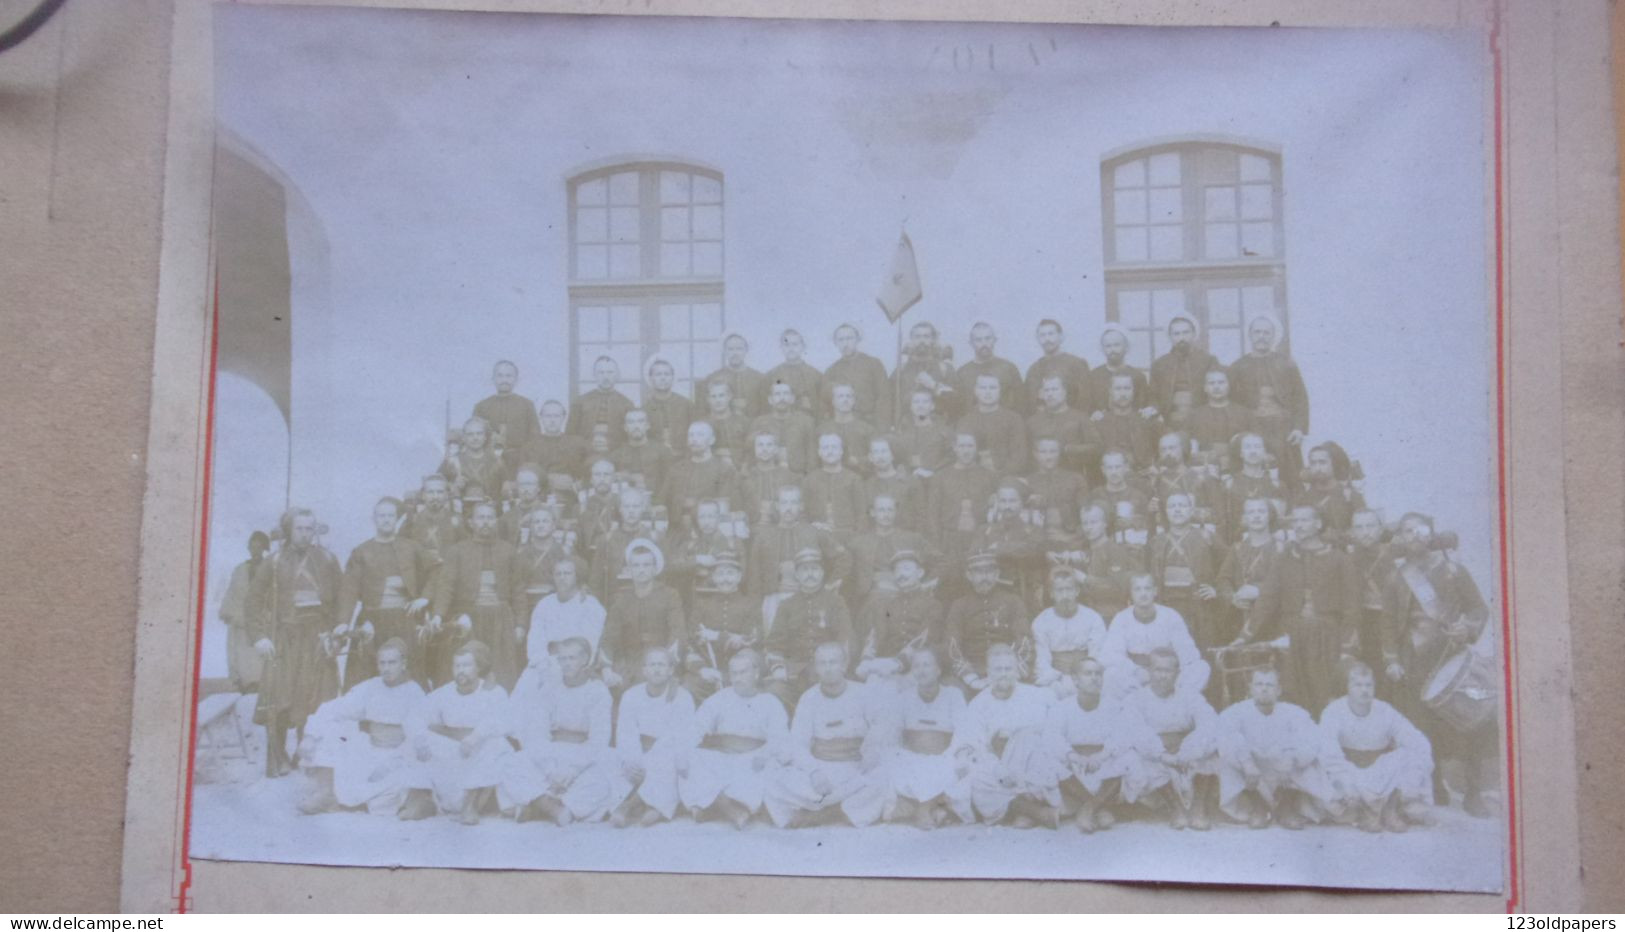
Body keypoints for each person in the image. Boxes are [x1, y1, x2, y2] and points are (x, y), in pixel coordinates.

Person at [1381, 512, 1494, 816]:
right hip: (1414, 659)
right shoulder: (1396, 577)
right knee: (1420, 728)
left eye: (1420, 530)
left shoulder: (1455, 571)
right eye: (1407, 531)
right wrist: (1391, 659)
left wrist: (1468, 628)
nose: (1414, 536)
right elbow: (1388, 624)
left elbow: (1478, 609)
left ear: (1431, 534)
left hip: (1453, 655)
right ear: (1401, 539)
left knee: (1472, 721)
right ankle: (1435, 785)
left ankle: (1473, 791)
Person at [250, 508, 343, 778]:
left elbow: (340, 600)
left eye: (309, 528)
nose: (304, 534)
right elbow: (253, 601)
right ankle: (277, 757)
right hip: (285, 638)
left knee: (315, 698)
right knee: (279, 698)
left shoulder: (327, 559)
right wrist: (260, 637)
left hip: (318, 637)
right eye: (299, 528)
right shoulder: (275, 562)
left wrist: (336, 633)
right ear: (290, 531)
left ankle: (308, 755)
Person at [765, 642, 890, 828]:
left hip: (856, 767)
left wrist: (871, 753)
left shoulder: (864, 693)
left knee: (884, 778)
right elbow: (798, 744)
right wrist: (815, 772)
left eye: (833, 662)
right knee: (774, 777)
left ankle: (825, 813)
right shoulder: (808, 698)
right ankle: (842, 809)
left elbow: (881, 729)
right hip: (822, 769)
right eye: (822, 663)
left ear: (844, 665)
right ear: (816, 668)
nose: (828, 668)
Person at [296, 638, 427, 816]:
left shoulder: (414, 692)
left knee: (394, 789)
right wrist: (310, 736)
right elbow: (333, 709)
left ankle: (410, 802)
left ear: (403, 664)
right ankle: (327, 794)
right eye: (382, 663)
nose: (386, 668)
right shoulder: (371, 687)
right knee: (335, 729)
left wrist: (389, 765)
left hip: (399, 757)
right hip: (370, 752)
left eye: (392, 662)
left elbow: (418, 736)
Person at [1255, 504, 1359, 714]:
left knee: (1325, 694)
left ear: (1318, 524)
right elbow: (1267, 599)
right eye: (1295, 521)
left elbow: (1352, 606)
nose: (1298, 526)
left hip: (1327, 637)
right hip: (1292, 635)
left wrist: (1347, 645)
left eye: (1304, 520)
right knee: (1292, 695)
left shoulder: (1340, 559)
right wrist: (1246, 634)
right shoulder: (1284, 558)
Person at [501, 637, 615, 824]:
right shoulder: (549, 688)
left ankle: (538, 804)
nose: (566, 664)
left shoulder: (598, 691)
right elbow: (537, 733)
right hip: (551, 753)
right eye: (562, 659)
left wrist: (572, 770)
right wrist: (550, 769)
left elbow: (599, 741)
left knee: (607, 772)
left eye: (572, 658)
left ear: (585, 659)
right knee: (511, 763)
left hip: (582, 754)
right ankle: (553, 808)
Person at [400, 640, 511, 824]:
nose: (461, 670)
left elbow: (500, 720)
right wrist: (419, 739)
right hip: (451, 756)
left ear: (478, 667)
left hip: (476, 754)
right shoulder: (443, 693)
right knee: (413, 741)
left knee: (497, 744)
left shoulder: (493, 692)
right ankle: (420, 799)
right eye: (457, 665)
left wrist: (476, 737)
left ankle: (470, 805)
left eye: (467, 665)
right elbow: (415, 716)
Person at [675, 650, 789, 828]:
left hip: (751, 761)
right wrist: (683, 754)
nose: (737, 678)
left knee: (773, 767)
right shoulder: (719, 699)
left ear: (756, 673)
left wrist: (766, 754)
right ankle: (729, 809)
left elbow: (780, 737)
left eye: (743, 672)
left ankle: (712, 805)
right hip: (722, 758)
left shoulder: (770, 702)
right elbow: (696, 728)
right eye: (734, 673)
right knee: (690, 758)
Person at [1318, 663, 1434, 833]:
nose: (1364, 690)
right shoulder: (1333, 711)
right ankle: (1366, 812)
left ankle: (1389, 809)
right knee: (1324, 773)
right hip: (1350, 770)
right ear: (1348, 687)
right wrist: (1345, 780)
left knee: (1415, 754)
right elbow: (1328, 752)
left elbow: (1414, 738)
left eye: (1368, 685)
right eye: (1358, 685)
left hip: (1379, 770)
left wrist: (1416, 763)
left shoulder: (1385, 710)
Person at [952, 644, 1058, 827]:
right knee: (975, 781)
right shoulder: (978, 705)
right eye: (998, 669)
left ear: (1017, 671)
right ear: (988, 673)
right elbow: (972, 745)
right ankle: (1035, 812)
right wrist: (997, 770)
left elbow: (1053, 732)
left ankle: (1021, 811)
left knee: (1036, 746)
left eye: (1008, 668)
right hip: (998, 768)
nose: (1003, 674)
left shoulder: (1038, 697)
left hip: (1031, 764)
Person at [1215, 667, 1335, 829]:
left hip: (1284, 771)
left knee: (1307, 757)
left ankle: (1287, 807)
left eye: (1270, 685)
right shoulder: (1235, 712)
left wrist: (1292, 758)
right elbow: (1226, 737)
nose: (1264, 689)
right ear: (1250, 688)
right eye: (1259, 684)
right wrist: (1247, 763)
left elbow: (1311, 739)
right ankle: (1258, 807)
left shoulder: (1294, 713)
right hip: (1252, 772)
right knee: (1228, 756)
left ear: (1278, 690)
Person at [336, 497, 433, 689]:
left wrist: (425, 598)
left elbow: (436, 572)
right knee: (366, 676)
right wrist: (342, 622)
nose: (386, 520)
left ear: (397, 518)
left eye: (390, 515)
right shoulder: (361, 552)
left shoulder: (411, 547)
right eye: (381, 515)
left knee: (410, 674)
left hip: (405, 619)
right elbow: (349, 590)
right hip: (372, 622)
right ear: (374, 519)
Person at [1118, 649, 1220, 829]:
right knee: (1134, 757)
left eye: (1168, 671)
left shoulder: (1190, 696)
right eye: (1157, 670)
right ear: (1149, 671)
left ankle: (1198, 807)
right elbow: (1136, 731)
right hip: (1157, 758)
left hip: (1185, 757)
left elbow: (1209, 722)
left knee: (1213, 748)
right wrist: (1163, 755)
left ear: (1177, 673)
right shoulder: (1135, 699)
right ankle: (1175, 808)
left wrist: (1189, 750)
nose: (1162, 676)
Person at [428, 501, 522, 691]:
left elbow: (518, 590)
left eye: (490, 518)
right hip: (468, 619)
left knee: (501, 673)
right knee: (465, 668)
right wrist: (438, 614)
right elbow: (446, 586)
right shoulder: (457, 551)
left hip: (500, 620)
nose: (485, 522)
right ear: (471, 522)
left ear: (495, 521)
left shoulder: (508, 551)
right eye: (480, 518)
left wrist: (520, 625)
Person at [1043, 657, 1140, 832]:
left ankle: (1088, 809)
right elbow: (1052, 737)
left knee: (1130, 758)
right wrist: (1074, 756)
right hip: (1074, 771)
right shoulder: (1061, 707)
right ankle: (1098, 808)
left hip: (1104, 768)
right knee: (1046, 760)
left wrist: (1101, 756)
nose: (1094, 678)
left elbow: (1122, 736)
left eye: (1098, 674)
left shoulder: (1115, 706)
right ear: (1075, 679)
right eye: (1088, 673)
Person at [881, 646, 971, 829]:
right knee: (888, 763)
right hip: (913, 760)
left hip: (944, 758)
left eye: (927, 665)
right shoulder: (903, 698)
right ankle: (935, 808)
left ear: (938, 670)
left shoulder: (953, 696)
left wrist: (955, 757)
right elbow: (892, 735)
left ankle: (921, 808)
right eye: (916, 666)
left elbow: (963, 733)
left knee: (962, 767)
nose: (921, 670)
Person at [609, 647, 696, 827]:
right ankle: (650, 804)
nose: (657, 669)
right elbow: (626, 733)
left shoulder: (682, 697)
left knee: (670, 763)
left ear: (671, 670)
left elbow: (681, 737)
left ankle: (631, 805)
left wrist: (652, 760)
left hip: (666, 755)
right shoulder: (631, 695)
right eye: (652, 665)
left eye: (662, 665)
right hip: (638, 752)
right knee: (612, 761)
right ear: (644, 670)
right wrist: (631, 762)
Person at [764, 548, 856, 706]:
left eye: (815, 569)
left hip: (827, 670)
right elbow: (774, 643)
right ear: (797, 575)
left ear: (822, 573)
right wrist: (778, 668)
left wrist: (837, 665)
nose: (810, 574)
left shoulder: (835, 602)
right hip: (794, 673)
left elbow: (845, 636)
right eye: (804, 570)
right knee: (774, 691)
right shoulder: (786, 605)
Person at [1100, 573, 1210, 701]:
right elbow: (1110, 655)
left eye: (1147, 588)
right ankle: (1137, 703)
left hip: (1167, 674)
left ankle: (1175, 701)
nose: (1143, 594)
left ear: (1155, 591)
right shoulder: (1121, 618)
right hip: (1138, 677)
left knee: (1201, 667)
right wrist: (1135, 671)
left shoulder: (1170, 615)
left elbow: (1188, 653)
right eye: (1138, 589)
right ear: (1131, 593)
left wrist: (1171, 675)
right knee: (1110, 674)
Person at [1228, 317, 1309, 488]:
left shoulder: (1286, 363)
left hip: (1283, 428)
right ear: (1250, 335)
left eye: (1266, 332)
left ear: (1273, 336)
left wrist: (1298, 428)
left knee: (1290, 477)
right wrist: (1239, 432)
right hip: (1253, 428)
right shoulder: (1238, 366)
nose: (1261, 337)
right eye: (1257, 332)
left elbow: (1300, 397)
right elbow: (1232, 404)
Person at [600, 542, 687, 692]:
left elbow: (677, 631)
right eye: (636, 565)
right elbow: (609, 635)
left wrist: (667, 662)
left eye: (646, 565)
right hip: (629, 661)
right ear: (629, 570)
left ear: (655, 569)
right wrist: (606, 668)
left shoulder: (670, 595)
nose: (641, 570)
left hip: (661, 659)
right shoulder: (621, 598)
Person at [854, 550, 945, 684]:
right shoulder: (887, 604)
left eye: (906, 569)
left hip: (918, 665)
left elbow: (926, 637)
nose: (901, 575)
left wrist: (899, 663)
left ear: (920, 573)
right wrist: (866, 660)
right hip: (886, 663)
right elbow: (875, 634)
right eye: (896, 571)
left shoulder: (932, 604)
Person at [944, 552, 1031, 693]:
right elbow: (952, 644)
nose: (984, 577)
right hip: (973, 670)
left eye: (989, 572)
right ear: (969, 576)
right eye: (978, 572)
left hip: (1007, 669)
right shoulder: (959, 605)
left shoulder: (1013, 601)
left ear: (997, 574)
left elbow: (1024, 639)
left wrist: (1010, 672)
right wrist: (970, 677)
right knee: (953, 691)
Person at [1146, 492, 1222, 649]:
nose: (1177, 510)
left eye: (1182, 505)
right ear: (1166, 512)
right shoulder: (1157, 541)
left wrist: (1217, 589)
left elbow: (1229, 566)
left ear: (1191, 510)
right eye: (1172, 506)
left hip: (1199, 607)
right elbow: (1147, 573)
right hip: (1166, 605)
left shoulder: (1207, 537)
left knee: (1201, 654)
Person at [747, 485, 850, 598]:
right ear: (777, 506)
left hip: (808, 599)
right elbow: (753, 575)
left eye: (793, 503)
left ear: (801, 506)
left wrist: (831, 584)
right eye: (784, 503)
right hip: (773, 598)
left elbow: (844, 557)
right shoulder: (763, 537)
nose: (789, 508)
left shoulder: (813, 532)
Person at [683, 553, 759, 701]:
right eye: (720, 574)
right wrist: (702, 669)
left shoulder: (750, 604)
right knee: (689, 687)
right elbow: (693, 636)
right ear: (713, 578)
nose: (725, 579)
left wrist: (717, 636)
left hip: (740, 669)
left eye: (730, 573)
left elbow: (752, 638)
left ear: (739, 577)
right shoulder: (702, 605)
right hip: (709, 666)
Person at [1051, 503, 1142, 621]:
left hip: (1110, 616)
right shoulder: (1088, 551)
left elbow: (1118, 588)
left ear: (1104, 524)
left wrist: (1085, 579)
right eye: (1085, 523)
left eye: (1093, 522)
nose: (1089, 527)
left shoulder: (1114, 550)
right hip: (1088, 614)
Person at [1218, 497, 1287, 646]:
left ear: (1270, 516)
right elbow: (1223, 579)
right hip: (1240, 617)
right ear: (1244, 518)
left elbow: (1286, 583)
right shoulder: (1236, 548)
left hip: (1272, 620)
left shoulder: (1281, 549)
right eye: (1251, 512)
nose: (1256, 516)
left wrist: (1258, 590)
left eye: (1261, 511)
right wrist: (1233, 597)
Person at [525, 557, 606, 683]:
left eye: (567, 573)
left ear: (576, 576)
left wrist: (573, 664)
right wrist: (541, 664)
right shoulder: (544, 604)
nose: (562, 577)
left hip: (577, 667)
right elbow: (535, 641)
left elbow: (591, 643)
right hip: (545, 665)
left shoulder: (590, 605)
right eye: (558, 574)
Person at [1030, 568, 1108, 697]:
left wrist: (1084, 678)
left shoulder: (1092, 618)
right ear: (1051, 594)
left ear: (1077, 591)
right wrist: (1058, 680)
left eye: (1069, 589)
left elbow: (1097, 654)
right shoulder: (1041, 622)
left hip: (1087, 676)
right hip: (1056, 678)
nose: (1065, 596)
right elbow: (1042, 661)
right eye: (1059, 590)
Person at [927, 432, 997, 573]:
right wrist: (937, 543)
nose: (966, 451)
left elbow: (995, 510)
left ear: (976, 448)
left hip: (979, 538)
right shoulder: (941, 477)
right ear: (955, 448)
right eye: (962, 446)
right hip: (950, 539)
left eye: (970, 446)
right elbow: (932, 513)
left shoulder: (988, 476)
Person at [847, 494, 932, 607]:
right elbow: (845, 567)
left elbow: (942, 561)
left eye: (890, 510)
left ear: (896, 512)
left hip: (906, 592)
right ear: (872, 513)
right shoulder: (858, 543)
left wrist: (928, 582)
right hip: (872, 597)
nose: (886, 515)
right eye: (881, 510)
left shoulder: (912, 538)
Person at [659, 420, 741, 532]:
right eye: (691, 435)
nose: (694, 439)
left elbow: (724, 507)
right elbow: (662, 501)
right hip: (678, 531)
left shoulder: (724, 469)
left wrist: (694, 504)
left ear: (712, 440)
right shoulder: (676, 469)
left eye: (700, 434)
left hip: (711, 530)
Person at [219, 530, 270, 693]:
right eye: (252, 547)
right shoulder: (240, 570)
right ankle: (244, 683)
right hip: (241, 620)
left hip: (262, 621)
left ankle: (259, 684)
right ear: (249, 548)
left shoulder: (270, 568)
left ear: (264, 549)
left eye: (259, 547)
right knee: (241, 655)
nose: (255, 551)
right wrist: (227, 612)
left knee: (259, 657)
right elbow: (232, 591)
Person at [1347, 509, 1397, 675]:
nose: (1365, 532)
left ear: (1380, 529)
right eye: (1359, 527)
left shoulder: (1394, 555)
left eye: (1370, 526)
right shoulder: (1348, 560)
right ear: (1353, 532)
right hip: (1365, 625)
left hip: (1394, 623)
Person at [473, 360, 542, 475]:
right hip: (489, 463)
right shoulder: (482, 406)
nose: (504, 380)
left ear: (516, 379)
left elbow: (535, 438)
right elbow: (473, 437)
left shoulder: (527, 405)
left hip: (520, 462)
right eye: (500, 376)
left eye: (508, 376)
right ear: (493, 379)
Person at [510, 506, 571, 630]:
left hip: (556, 607)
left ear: (553, 526)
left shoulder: (563, 552)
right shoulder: (522, 554)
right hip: (530, 608)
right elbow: (518, 588)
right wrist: (520, 623)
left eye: (545, 521)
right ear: (531, 527)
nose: (541, 525)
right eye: (536, 522)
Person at [1293, 442, 1367, 543]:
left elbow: (1364, 527)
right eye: (1313, 463)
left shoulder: (1350, 495)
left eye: (1322, 462)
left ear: (1333, 464)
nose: (1318, 468)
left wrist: (1341, 536)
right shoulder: (1304, 499)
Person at [1149, 430, 1221, 534]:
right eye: (1163, 450)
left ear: (1183, 449)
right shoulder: (1156, 481)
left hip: (1198, 535)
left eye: (1172, 448)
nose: (1168, 453)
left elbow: (1219, 514)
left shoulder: (1202, 478)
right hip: (1168, 536)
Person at [1148, 316, 1221, 417]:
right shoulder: (1159, 364)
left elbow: (1217, 391)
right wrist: (1154, 409)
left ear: (1194, 334)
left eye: (1186, 333)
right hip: (1169, 420)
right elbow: (1153, 396)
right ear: (1170, 336)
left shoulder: (1208, 361)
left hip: (1202, 417)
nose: (1181, 338)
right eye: (1176, 334)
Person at [1088, 372, 1159, 472]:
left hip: (1142, 477)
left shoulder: (1145, 420)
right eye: (1118, 389)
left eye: (1127, 388)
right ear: (1110, 391)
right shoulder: (1099, 422)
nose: (1123, 394)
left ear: (1133, 391)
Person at [956, 374, 1028, 474]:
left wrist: (999, 475)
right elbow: (961, 456)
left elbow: (1019, 458)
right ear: (976, 391)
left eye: (992, 388)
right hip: (974, 478)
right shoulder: (965, 421)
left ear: (1000, 391)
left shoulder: (1013, 419)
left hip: (1005, 478)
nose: (988, 392)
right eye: (983, 387)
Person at [824, 323, 892, 428]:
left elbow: (884, 398)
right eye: (841, 340)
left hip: (871, 424)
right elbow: (827, 404)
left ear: (857, 340)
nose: (845, 343)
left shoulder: (873, 364)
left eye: (849, 338)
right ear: (835, 343)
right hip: (844, 426)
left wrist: (882, 428)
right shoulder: (831, 371)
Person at [1221, 432, 1285, 542]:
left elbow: (1281, 521)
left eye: (1257, 447)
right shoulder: (1229, 484)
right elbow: (1225, 522)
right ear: (1241, 453)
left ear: (1264, 452)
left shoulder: (1277, 485)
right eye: (1248, 447)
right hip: (1238, 543)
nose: (1253, 451)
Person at [893, 320, 960, 423]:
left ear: (933, 340)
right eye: (918, 337)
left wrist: (934, 385)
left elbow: (957, 402)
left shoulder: (945, 369)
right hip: (908, 429)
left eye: (926, 336)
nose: (922, 341)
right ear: (911, 340)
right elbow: (889, 401)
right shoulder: (901, 370)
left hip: (938, 428)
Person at [1186, 367, 1254, 468]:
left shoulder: (1244, 413)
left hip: (1237, 465)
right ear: (1205, 388)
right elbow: (1189, 443)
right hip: (1204, 466)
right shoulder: (1194, 415)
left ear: (1228, 386)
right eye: (1211, 383)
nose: (1216, 387)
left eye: (1221, 382)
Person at [1027, 389, 1092, 494]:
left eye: (1052, 452)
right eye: (1047, 390)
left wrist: (1071, 449)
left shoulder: (1076, 480)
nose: (1048, 456)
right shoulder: (1032, 421)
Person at [801, 433, 866, 535]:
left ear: (841, 451)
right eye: (825, 448)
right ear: (819, 452)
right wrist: (811, 528)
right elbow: (803, 513)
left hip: (848, 535)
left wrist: (856, 537)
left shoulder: (853, 479)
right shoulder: (810, 480)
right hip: (818, 535)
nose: (830, 452)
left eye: (834, 447)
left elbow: (861, 515)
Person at [1024, 318, 1091, 415]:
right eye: (1042, 335)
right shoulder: (1033, 369)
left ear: (1061, 336)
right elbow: (1029, 402)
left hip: (1071, 423)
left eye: (1051, 334)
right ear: (1038, 339)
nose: (1047, 339)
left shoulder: (1076, 364)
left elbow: (1085, 399)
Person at [1086, 449, 1152, 547]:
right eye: (1109, 468)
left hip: (1132, 551)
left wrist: (1133, 522)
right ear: (1103, 470)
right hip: (1103, 552)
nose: (1114, 472)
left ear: (1126, 467)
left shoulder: (1139, 496)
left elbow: (1148, 528)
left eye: (1118, 467)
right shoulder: (1095, 496)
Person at [955, 322, 1025, 413]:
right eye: (978, 340)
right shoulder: (963, 373)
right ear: (971, 343)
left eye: (988, 338)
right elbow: (960, 408)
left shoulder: (1008, 368)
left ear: (995, 340)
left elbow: (1022, 404)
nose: (984, 344)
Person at [750, 380, 818, 474]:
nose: (782, 398)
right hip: (768, 476)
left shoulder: (806, 421)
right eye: (777, 394)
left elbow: (812, 455)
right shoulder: (759, 423)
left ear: (792, 398)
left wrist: (809, 478)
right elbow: (751, 454)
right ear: (770, 399)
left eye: (786, 394)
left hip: (799, 475)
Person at [739, 430, 803, 529]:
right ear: (754, 449)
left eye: (769, 445)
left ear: (776, 449)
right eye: (760, 445)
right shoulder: (745, 478)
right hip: (752, 528)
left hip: (782, 528)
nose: (765, 449)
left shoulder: (789, 476)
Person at [439, 417, 504, 512]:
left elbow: (507, 492)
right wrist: (452, 486)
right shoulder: (452, 461)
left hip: (489, 516)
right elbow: (433, 486)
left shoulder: (497, 462)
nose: (475, 438)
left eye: (479, 433)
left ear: (485, 437)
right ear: (464, 438)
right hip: (460, 515)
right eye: (470, 434)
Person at [518, 400, 590, 484]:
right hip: (540, 493)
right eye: (548, 416)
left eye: (556, 416)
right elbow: (523, 476)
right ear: (541, 417)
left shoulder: (578, 444)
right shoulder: (529, 447)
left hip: (570, 493)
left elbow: (589, 472)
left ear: (563, 417)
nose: (552, 420)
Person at [569, 356, 636, 446]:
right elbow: (570, 434)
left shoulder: (627, 404)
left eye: (610, 372)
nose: (605, 377)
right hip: (586, 453)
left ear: (617, 375)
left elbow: (631, 437)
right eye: (601, 372)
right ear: (594, 375)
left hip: (617, 453)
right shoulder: (580, 402)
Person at [1084, 327, 1152, 417]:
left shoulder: (1138, 376)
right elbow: (1087, 406)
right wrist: (1093, 413)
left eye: (1117, 345)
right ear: (1102, 349)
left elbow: (1144, 405)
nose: (1113, 350)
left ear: (1126, 347)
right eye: (1108, 346)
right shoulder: (1093, 376)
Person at [862, 436, 925, 531]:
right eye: (876, 452)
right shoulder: (866, 486)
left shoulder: (911, 482)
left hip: (906, 537)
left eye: (884, 451)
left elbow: (921, 515)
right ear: (870, 457)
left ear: (892, 455)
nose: (880, 456)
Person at [696, 333, 765, 419]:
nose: (735, 353)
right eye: (730, 349)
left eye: (739, 349)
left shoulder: (759, 378)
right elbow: (703, 411)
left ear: (746, 350)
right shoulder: (712, 378)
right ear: (724, 351)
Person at [891, 387, 954, 479]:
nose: (920, 406)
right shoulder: (902, 431)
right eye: (916, 402)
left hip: (935, 479)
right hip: (909, 481)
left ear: (932, 406)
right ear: (911, 407)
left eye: (925, 402)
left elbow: (952, 458)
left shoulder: (944, 431)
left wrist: (933, 472)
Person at [818, 383, 878, 475]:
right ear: (833, 401)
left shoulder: (867, 429)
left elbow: (876, 455)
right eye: (840, 396)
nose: (845, 400)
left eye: (848, 396)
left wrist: (858, 461)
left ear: (853, 401)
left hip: (861, 477)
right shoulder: (822, 429)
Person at [612, 408, 674, 495]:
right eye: (631, 422)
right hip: (627, 504)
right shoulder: (617, 455)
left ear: (647, 426)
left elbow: (670, 483)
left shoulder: (662, 451)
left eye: (640, 421)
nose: (636, 426)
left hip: (656, 501)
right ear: (625, 427)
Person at [763, 328, 822, 417]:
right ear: (781, 348)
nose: (791, 348)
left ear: (803, 346)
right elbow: (765, 407)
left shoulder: (815, 375)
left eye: (795, 344)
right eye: (787, 345)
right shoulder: (771, 376)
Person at [642, 357, 694, 455]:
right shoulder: (645, 409)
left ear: (672, 377)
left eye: (667, 374)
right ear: (650, 378)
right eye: (658, 374)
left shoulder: (686, 405)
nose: (663, 378)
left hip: (683, 457)